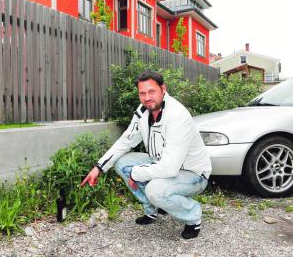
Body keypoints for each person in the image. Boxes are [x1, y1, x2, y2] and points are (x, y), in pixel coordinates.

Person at [81, 70, 212, 239]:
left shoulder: (177, 116)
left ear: (163, 89)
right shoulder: (143, 111)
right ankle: (153, 208)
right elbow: (125, 141)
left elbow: (170, 169)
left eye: (152, 91)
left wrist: (136, 174)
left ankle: (193, 216)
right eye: (142, 93)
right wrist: (99, 167)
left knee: (154, 189)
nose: (147, 97)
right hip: (161, 163)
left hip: (193, 174)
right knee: (122, 162)